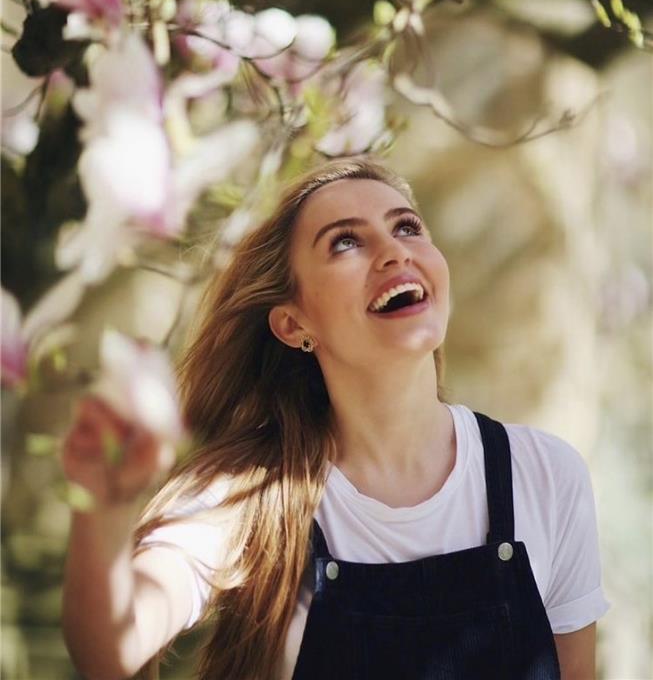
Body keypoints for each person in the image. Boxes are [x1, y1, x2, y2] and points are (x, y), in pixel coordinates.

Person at [61, 158, 610, 680]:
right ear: (293, 323)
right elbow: (115, 646)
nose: (395, 252)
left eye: (408, 227)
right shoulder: (252, 495)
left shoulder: (544, 474)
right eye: (345, 241)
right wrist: (104, 508)